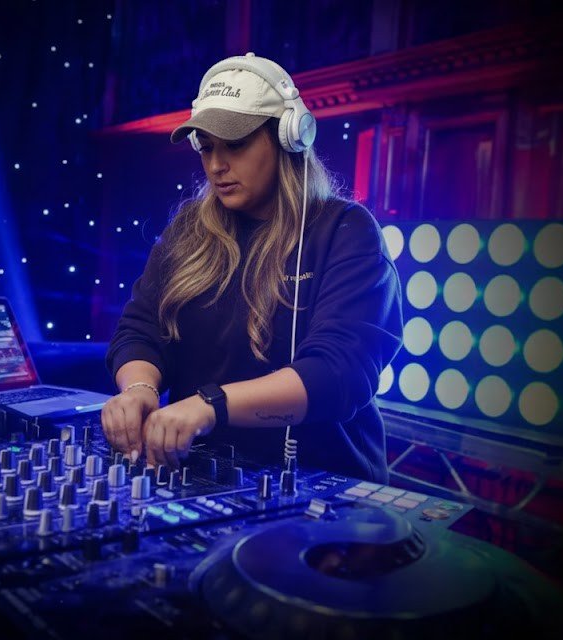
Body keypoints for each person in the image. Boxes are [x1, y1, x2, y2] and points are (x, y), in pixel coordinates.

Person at [101, 53, 403, 483]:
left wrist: (210, 406)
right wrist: (139, 388)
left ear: (288, 137)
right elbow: (141, 328)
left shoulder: (346, 230)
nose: (216, 165)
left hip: (322, 483)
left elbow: (340, 373)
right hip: (201, 475)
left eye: (236, 144)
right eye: (207, 147)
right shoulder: (188, 229)